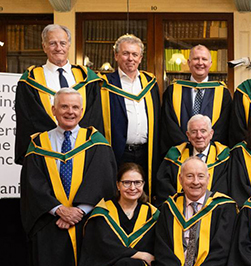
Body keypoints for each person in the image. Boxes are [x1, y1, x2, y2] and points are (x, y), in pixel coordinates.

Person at [20, 88, 116, 266]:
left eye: (75, 107)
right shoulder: (39, 143)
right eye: (64, 107)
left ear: (82, 110)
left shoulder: (95, 141)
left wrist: (80, 210)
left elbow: (101, 177)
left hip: (87, 224)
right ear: (54, 110)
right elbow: (32, 183)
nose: (70, 112)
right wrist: (58, 209)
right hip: (51, 223)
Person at [15, 24, 104, 164]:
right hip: (46, 150)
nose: (58, 48)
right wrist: (55, 138)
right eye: (52, 43)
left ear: (69, 45)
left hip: (82, 148)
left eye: (62, 43)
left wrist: (79, 139)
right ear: (44, 47)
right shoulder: (31, 79)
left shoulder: (86, 77)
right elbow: (29, 119)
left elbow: (94, 115)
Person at [100, 34, 161, 195]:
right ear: (116, 56)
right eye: (125, 53)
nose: (130, 58)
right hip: (118, 151)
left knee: (144, 193)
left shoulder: (150, 83)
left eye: (135, 54)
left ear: (140, 58)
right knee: (118, 193)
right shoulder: (105, 84)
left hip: (146, 151)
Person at [161, 45, 232, 150]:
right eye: (196, 59)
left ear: (210, 64)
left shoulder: (222, 92)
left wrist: (206, 147)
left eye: (204, 59)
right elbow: (169, 124)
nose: (200, 63)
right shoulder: (173, 90)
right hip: (180, 152)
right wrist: (187, 146)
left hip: (211, 153)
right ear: (189, 62)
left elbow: (223, 126)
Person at [155, 114, 230, 202]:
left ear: (211, 134)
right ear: (188, 135)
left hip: (213, 210)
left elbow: (225, 187)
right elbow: (164, 187)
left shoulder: (224, 156)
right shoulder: (175, 156)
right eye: (194, 132)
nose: (199, 136)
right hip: (180, 210)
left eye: (203, 131)